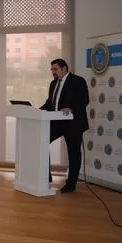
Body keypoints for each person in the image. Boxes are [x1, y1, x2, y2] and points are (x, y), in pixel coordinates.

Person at [40, 58, 89, 193]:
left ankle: (71, 184)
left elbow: (84, 100)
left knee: (73, 153)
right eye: (52, 69)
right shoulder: (53, 83)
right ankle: (45, 176)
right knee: (42, 141)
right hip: (57, 122)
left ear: (64, 68)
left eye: (55, 69)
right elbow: (50, 103)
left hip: (73, 122)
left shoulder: (78, 81)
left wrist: (71, 108)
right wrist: (37, 111)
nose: (53, 72)